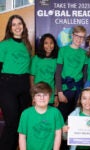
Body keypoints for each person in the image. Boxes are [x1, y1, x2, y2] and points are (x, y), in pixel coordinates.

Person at [0, 14, 32, 150]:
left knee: (22, 122)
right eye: (14, 24)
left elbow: (29, 70)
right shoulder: (4, 45)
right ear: (10, 28)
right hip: (7, 84)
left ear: (23, 27)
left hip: (24, 85)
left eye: (20, 24)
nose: (17, 27)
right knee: (12, 121)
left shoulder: (27, 46)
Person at [18, 82, 64, 150]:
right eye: (38, 95)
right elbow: (22, 137)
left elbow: (58, 135)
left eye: (45, 95)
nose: (42, 98)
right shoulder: (26, 114)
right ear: (33, 98)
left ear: (50, 97)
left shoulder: (55, 112)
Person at [56, 25, 87, 121]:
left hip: (79, 90)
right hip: (65, 90)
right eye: (77, 36)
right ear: (72, 35)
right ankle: (60, 136)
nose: (79, 39)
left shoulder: (84, 53)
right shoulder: (63, 50)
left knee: (76, 118)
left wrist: (84, 93)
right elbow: (58, 73)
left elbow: (85, 75)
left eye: (82, 37)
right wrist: (59, 92)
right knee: (62, 117)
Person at [30, 33, 59, 106]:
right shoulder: (36, 59)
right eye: (46, 43)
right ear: (42, 45)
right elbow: (32, 78)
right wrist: (33, 95)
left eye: (51, 43)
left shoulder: (56, 59)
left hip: (50, 94)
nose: (49, 46)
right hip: (38, 94)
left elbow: (57, 79)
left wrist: (56, 96)